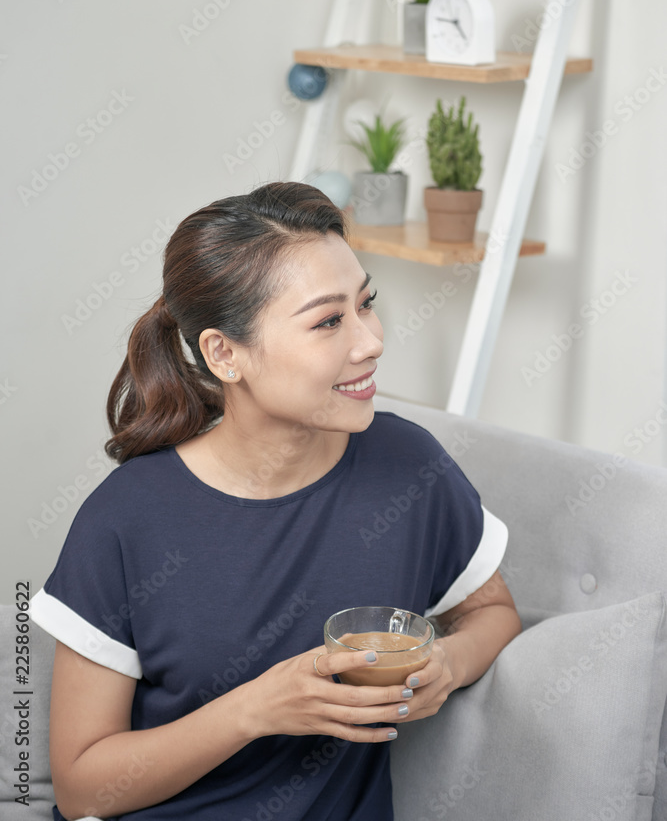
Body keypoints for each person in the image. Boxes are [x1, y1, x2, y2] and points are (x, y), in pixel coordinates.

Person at [30, 180, 521, 821]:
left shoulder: (409, 469)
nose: (370, 340)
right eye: (328, 321)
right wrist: (256, 710)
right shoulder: (126, 519)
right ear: (225, 353)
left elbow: (494, 611)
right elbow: (81, 788)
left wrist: (448, 664)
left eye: (366, 304)